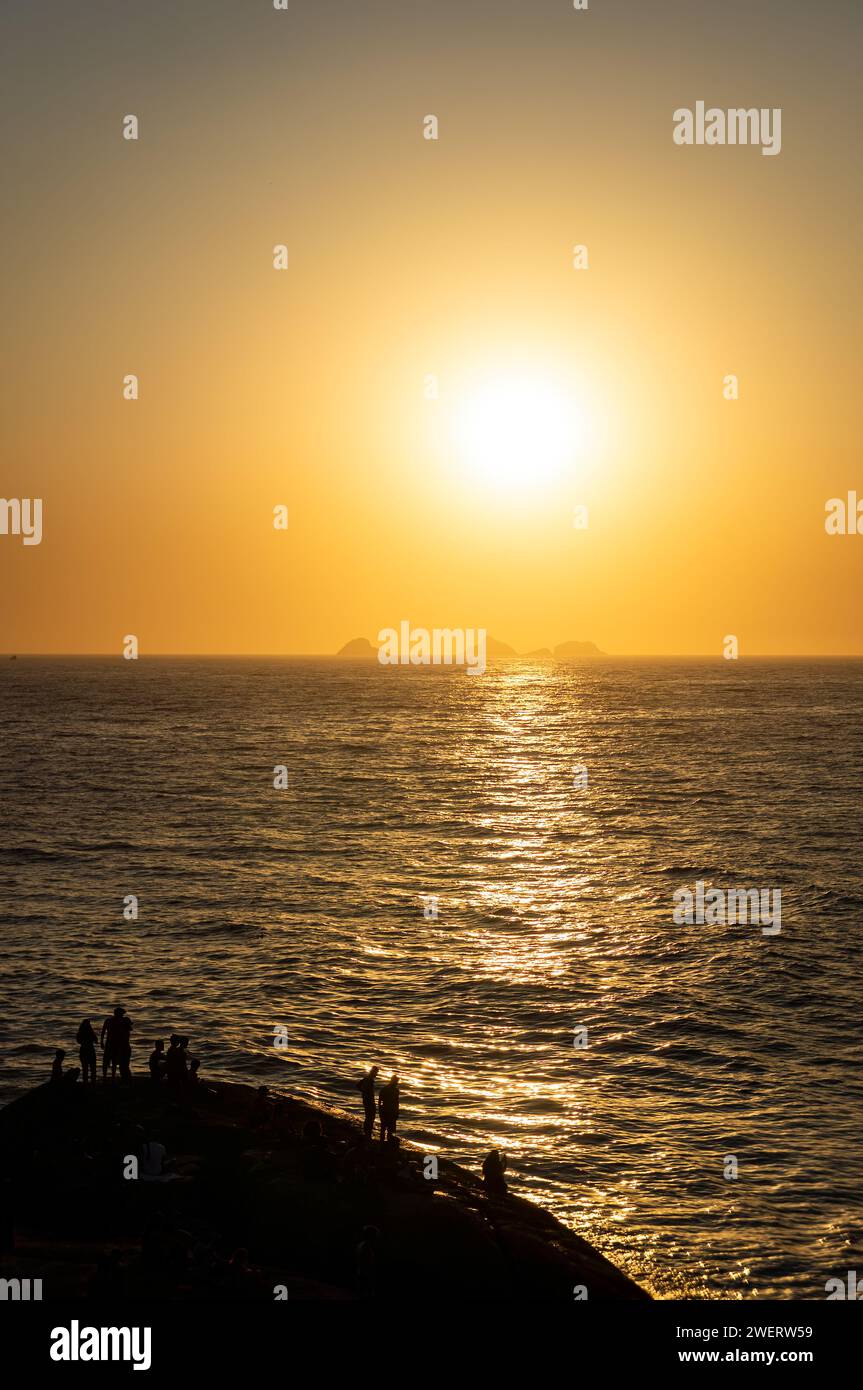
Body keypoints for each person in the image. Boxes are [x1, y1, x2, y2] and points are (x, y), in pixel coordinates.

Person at [356, 1066, 379, 1139]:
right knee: (370, 1116)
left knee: (368, 1116)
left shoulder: (366, 1078)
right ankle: (368, 1133)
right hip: (369, 1100)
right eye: (376, 1072)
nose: (377, 1074)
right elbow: (359, 1086)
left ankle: (367, 1132)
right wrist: (365, 1093)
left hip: (366, 1099)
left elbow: (358, 1085)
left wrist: (363, 1092)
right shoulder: (370, 1080)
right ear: (373, 1072)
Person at [378, 1073, 399, 1144]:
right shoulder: (393, 1090)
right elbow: (380, 1101)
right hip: (388, 1111)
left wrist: (380, 1110)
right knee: (387, 1128)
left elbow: (380, 1101)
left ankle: (383, 1142)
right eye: (396, 1081)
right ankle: (385, 1142)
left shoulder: (386, 1089)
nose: (397, 1083)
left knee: (385, 1127)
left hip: (387, 1110)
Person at [76, 1019, 98, 1086]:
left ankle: (86, 1083)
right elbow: (96, 1041)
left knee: (85, 1068)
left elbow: (78, 1041)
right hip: (90, 1050)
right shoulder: (91, 1032)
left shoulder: (80, 1033)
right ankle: (92, 1083)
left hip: (84, 1051)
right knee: (92, 1068)